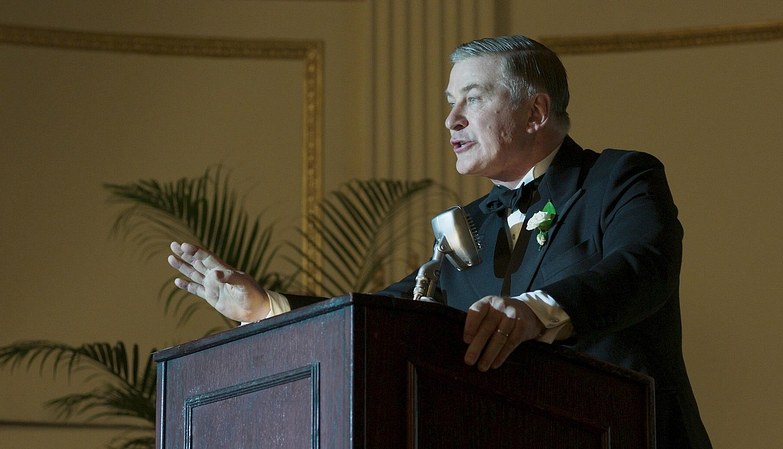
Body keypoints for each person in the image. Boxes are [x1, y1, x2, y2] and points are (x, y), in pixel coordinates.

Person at [168, 35, 711, 448]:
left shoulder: (619, 177)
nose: (451, 119)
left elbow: (644, 269)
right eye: (450, 102)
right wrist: (267, 308)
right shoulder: (467, 227)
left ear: (535, 112)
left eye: (472, 99)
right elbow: (382, 314)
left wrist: (535, 311)